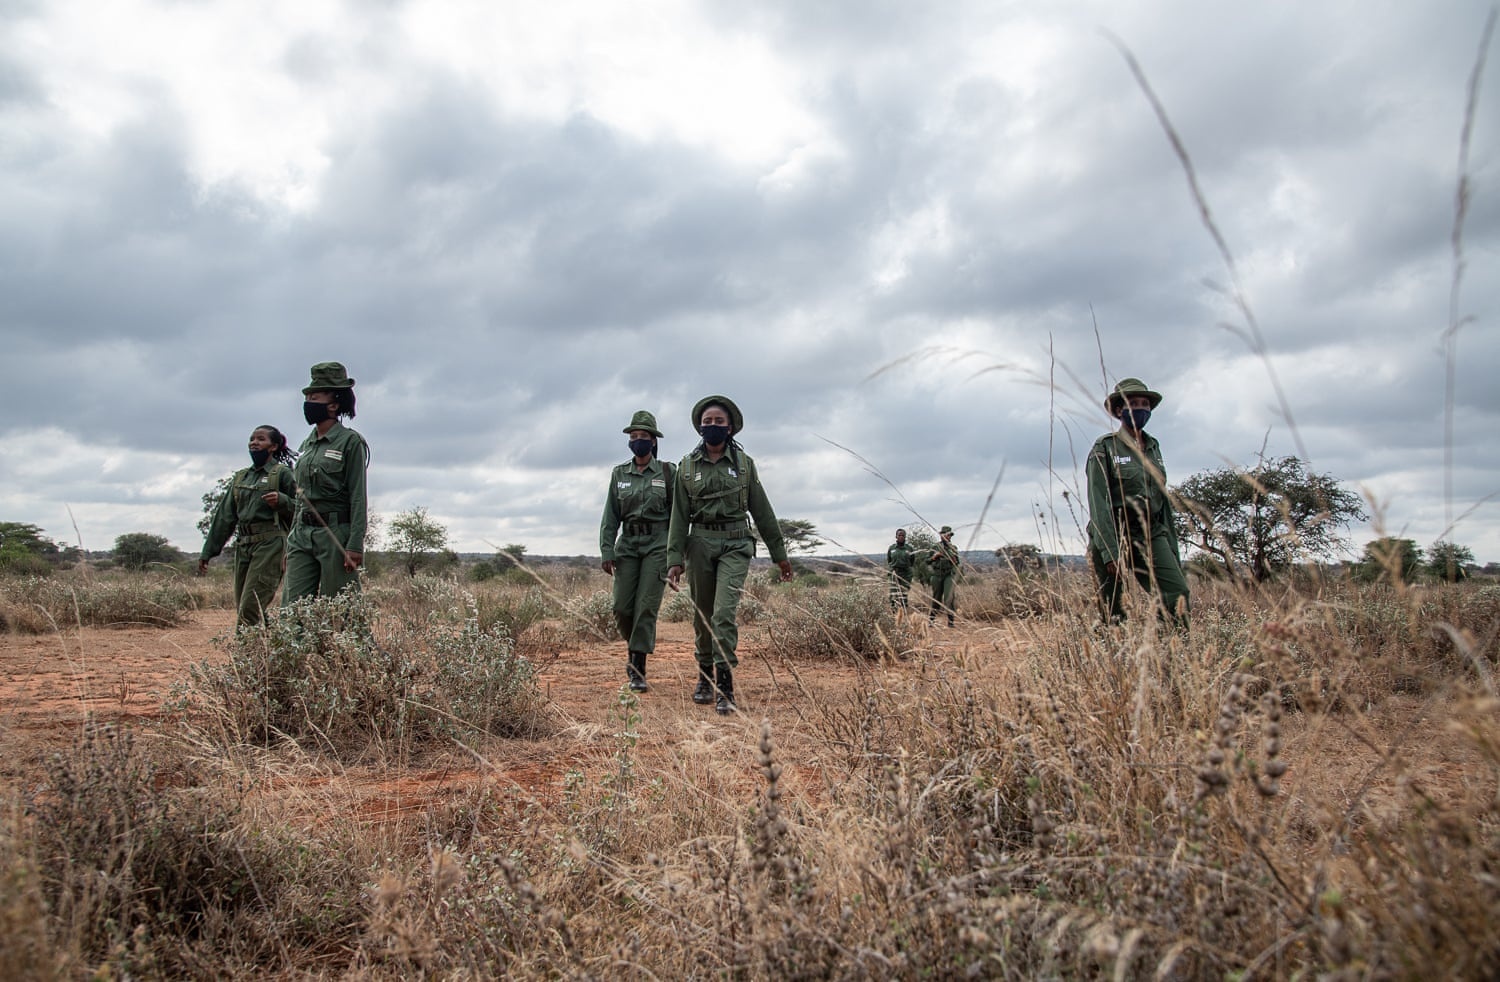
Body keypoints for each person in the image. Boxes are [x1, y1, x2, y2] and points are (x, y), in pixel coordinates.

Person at [666, 395, 793, 714]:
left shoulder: (745, 465)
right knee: (703, 615)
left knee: (723, 614)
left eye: (718, 422)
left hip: (736, 544)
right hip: (700, 543)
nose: (712, 426)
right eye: (707, 422)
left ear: (731, 428)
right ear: (699, 427)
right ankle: (704, 676)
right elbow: (679, 518)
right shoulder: (687, 466)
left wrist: (780, 554)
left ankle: (725, 686)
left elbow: (763, 511)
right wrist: (674, 561)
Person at [1086, 377, 1190, 628]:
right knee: (1115, 611)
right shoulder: (1105, 447)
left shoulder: (1154, 447)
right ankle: (1115, 661)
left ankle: (1172, 657)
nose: (1140, 408)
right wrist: (1110, 550)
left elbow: (1161, 500)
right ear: (1120, 410)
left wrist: (1170, 546)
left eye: (1145, 404)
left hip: (1151, 533)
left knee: (1177, 594)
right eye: (1133, 403)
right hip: (1115, 532)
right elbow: (1098, 501)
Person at [599, 410, 674, 693]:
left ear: (653, 441)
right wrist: (607, 549)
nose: (638, 441)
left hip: (657, 545)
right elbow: (610, 516)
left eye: (643, 437)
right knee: (620, 607)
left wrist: (676, 554)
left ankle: (637, 667)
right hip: (627, 545)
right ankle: (634, 649)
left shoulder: (668, 472)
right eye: (634, 437)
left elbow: (678, 516)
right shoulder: (620, 474)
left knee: (645, 607)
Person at [283, 362, 369, 605]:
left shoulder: (350, 442)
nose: (308, 402)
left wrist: (354, 544)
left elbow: (358, 496)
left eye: (315, 397)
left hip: (335, 533)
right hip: (301, 534)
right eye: (308, 396)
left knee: (342, 606)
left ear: (333, 405)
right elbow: (301, 499)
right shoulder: (305, 446)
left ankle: (353, 645)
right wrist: (290, 540)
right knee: (293, 606)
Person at [198, 425, 297, 626]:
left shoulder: (282, 474)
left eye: (261, 439)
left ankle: (247, 656)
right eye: (252, 439)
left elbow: (304, 510)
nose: (254, 443)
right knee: (246, 607)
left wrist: (282, 501)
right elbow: (225, 517)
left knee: (250, 608)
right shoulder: (241, 477)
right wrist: (208, 552)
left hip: (271, 544)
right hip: (244, 545)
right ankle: (271, 650)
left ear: (273, 446)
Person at [927, 525, 960, 626]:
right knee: (936, 598)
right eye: (946, 535)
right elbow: (927, 561)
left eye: (950, 535)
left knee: (949, 596)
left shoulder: (953, 548)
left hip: (948, 574)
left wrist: (953, 559)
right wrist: (935, 557)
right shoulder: (935, 547)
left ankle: (951, 621)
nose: (948, 537)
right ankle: (931, 620)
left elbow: (957, 562)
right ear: (941, 535)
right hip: (937, 574)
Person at [886, 528, 915, 609]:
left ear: (905, 537)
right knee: (893, 594)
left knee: (903, 594)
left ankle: (903, 612)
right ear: (896, 536)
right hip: (894, 573)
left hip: (906, 574)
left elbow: (912, 561)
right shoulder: (892, 548)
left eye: (903, 535)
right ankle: (894, 612)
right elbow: (889, 560)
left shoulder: (909, 548)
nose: (901, 537)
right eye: (899, 535)